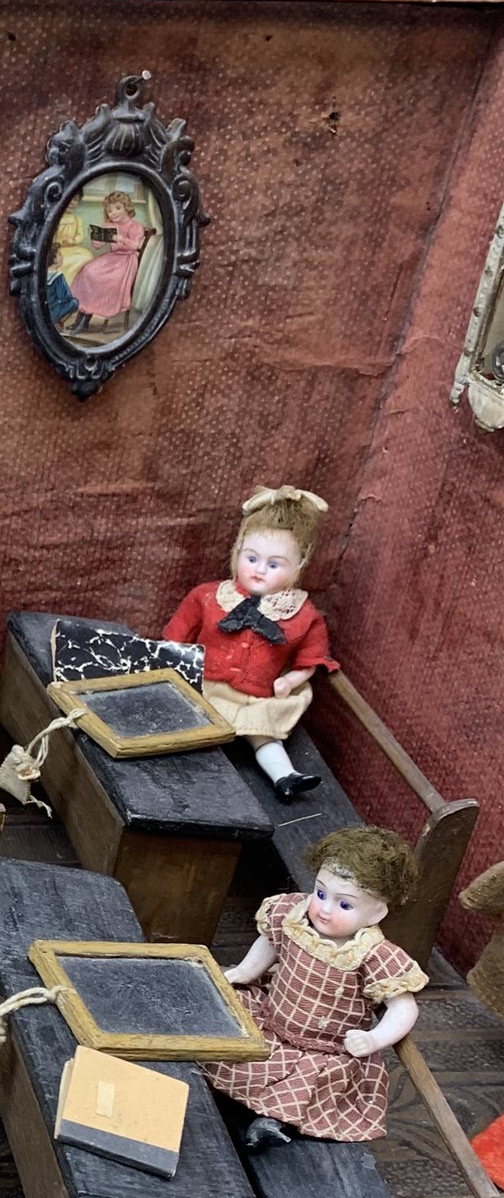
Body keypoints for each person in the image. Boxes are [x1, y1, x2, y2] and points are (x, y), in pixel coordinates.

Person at [206, 826, 427, 1150]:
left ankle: (272, 1121)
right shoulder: (293, 916)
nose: (324, 909)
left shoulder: (374, 955)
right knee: (232, 1045)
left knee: (305, 1083)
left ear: (376, 912)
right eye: (321, 893)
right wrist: (244, 971)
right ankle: (216, 1091)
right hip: (272, 1019)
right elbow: (270, 943)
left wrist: (374, 1038)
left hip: (322, 1048)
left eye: (344, 905)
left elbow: (404, 1007)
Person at [163, 484, 336, 801]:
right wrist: (172, 667)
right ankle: (188, 779)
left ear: (299, 564)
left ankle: (285, 776)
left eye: (274, 564)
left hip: (257, 697)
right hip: (207, 686)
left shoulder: (302, 614)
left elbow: (310, 660)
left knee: (265, 737)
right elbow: (176, 638)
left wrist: (290, 680)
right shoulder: (209, 596)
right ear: (237, 550)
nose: (259, 570)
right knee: (198, 727)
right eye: (251, 558)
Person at [66, 190, 144, 333]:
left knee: (97, 278)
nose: (113, 213)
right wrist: (96, 236)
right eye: (109, 211)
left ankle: (84, 322)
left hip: (125, 261)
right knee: (87, 271)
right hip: (111, 259)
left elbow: (135, 246)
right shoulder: (108, 225)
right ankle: (80, 320)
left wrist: (120, 239)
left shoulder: (135, 226)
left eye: (118, 208)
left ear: (127, 208)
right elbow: (97, 246)